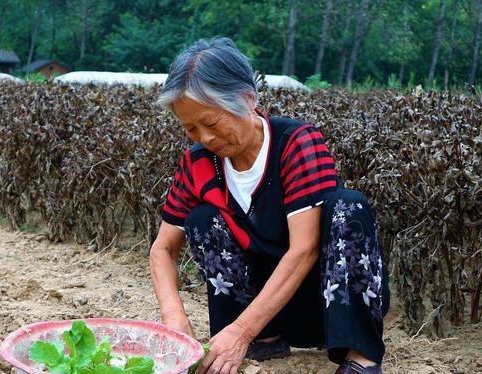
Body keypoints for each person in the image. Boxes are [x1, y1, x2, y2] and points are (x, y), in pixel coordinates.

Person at [149, 37, 390, 374]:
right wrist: (173, 316)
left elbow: (304, 251)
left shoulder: (297, 143)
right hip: (259, 316)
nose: (205, 138)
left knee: (347, 206)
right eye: (191, 128)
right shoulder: (198, 163)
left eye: (212, 122)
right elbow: (162, 249)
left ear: (247, 99)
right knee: (202, 219)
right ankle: (264, 339)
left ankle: (359, 357)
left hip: (324, 308)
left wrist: (239, 331)